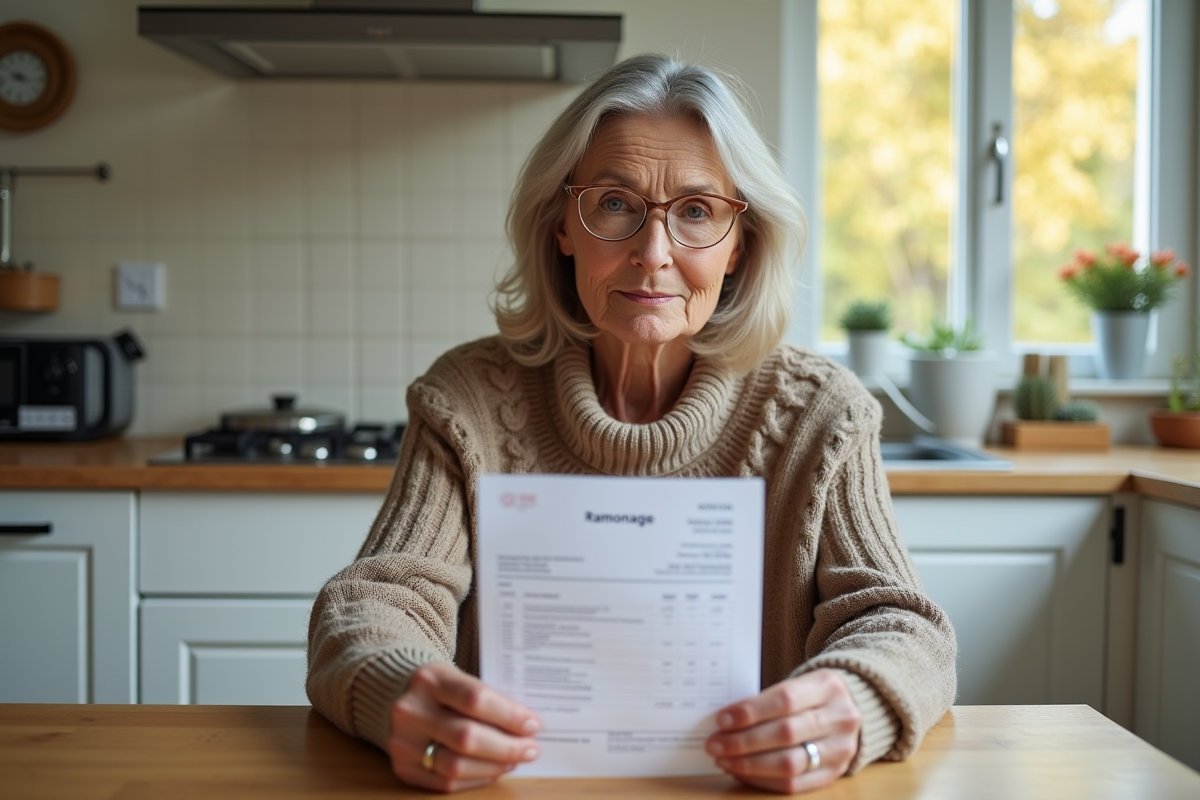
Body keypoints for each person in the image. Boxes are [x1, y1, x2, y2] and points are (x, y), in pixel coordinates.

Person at [306, 53, 956, 795]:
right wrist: (399, 689)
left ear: (740, 245)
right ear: (562, 225)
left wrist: (855, 701)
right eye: (615, 204)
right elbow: (372, 605)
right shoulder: (469, 399)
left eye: (697, 212)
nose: (653, 255)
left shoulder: (823, 413)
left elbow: (906, 629)